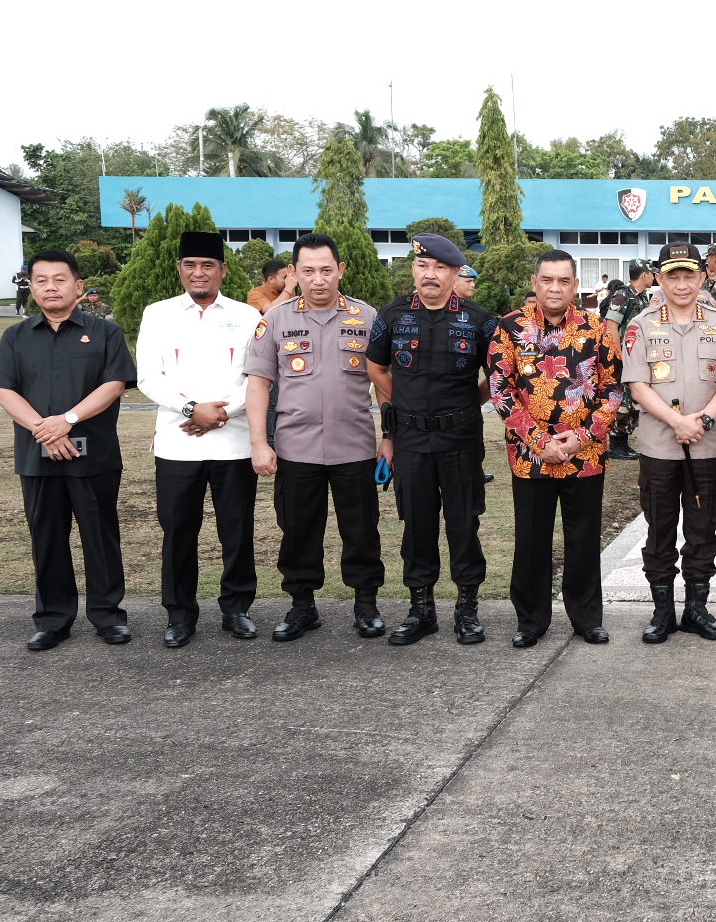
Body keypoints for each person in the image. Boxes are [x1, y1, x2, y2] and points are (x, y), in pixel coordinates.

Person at [0, 249, 138, 651]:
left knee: (100, 536)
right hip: (37, 456)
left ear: (78, 286)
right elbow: (4, 389)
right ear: (31, 286)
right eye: (41, 281)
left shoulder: (106, 333)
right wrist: (45, 429)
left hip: (95, 455)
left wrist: (65, 420)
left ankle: (108, 616)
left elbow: (114, 385)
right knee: (47, 537)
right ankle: (53, 619)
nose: (50, 287)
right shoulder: (16, 336)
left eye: (59, 279)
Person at [244, 233, 387, 642]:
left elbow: (384, 384)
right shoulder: (275, 319)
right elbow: (258, 384)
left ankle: (366, 603)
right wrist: (259, 442)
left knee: (361, 529)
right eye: (308, 271)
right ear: (293, 273)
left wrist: (389, 436)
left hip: (355, 446)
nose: (318, 279)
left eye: (326, 270)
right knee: (298, 530)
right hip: (296, 448)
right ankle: (302, 606)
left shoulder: (368, 317)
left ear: (340, 270)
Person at [366, 233, 499, 647]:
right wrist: (392, 426)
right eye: (423, 267)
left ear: (455, 273)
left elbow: (495, 379)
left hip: (460, 438)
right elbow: (376, 367)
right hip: (409, 440)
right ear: (413, 270)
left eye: (440, 268)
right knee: (416, 526)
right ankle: (421, 610)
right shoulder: (392, 314)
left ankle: (467, 610)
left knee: (463, 524)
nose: (431, 275)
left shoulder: (479, 320)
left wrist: (465, 407)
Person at [489, 248, 625, 648]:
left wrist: (583, 435)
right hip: (531, 457)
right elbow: (501, 390)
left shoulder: (597, 328)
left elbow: (613, 390)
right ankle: (530, 620)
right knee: (531, 538)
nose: (554, 288)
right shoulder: (509, 328)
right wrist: (539, 441)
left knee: (584, 538)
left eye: (563, 281)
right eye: (547, 279)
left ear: (575, 286)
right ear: (535, 283)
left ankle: (586, 618)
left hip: (584, 454)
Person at [136, 231, 264, 648]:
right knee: (177, 530)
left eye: (208, 265)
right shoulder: (158, 314)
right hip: (179, 442)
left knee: (237, 528)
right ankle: (179, 614)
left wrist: (223, 411)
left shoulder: (247, 316)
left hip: (234, 440)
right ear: (179, 269)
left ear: (223, 270)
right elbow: (148, 377)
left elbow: (259, 376)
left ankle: (237, 609)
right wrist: (193, 409)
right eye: (190, 265)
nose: (199, 273)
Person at [620, 243, 716, 643]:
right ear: (659, 279)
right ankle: (662, 611)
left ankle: (696, 608)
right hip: (659, 447)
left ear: (703, 277)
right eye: (673, 275)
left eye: (690, 275)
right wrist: (677, 421)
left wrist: (702, 420)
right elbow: (638, 385)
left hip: (705, 446)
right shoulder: (642, 324)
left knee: (703, 527)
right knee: (660, 528)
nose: (683, 283)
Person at [602, 260, 657, 461]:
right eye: (652, 274)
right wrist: (619, 355)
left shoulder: (641, 297)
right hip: (624, 358)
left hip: (637, 357)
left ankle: (622, 443)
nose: (654, 277)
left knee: (633, 401)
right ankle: (616, 445)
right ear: (644, 275)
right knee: (623, 402)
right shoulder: (623, 295)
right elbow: (611, 325)